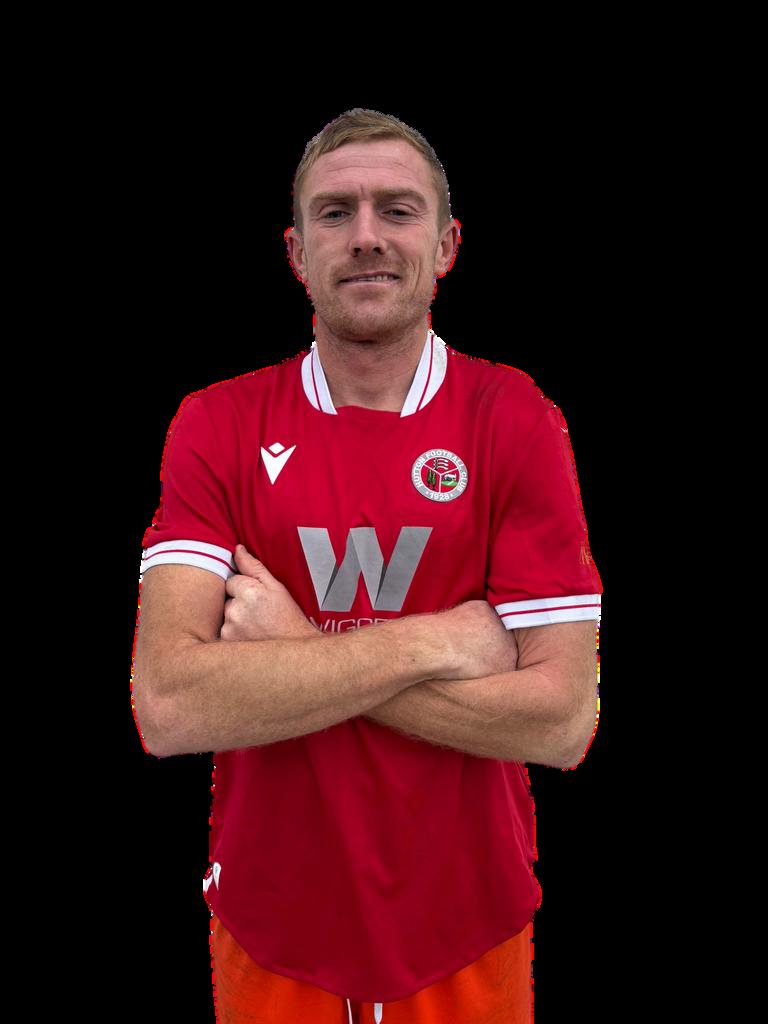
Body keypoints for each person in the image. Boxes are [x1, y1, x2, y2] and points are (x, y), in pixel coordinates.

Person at [133, 107, 602, 1023]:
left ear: (447, 243)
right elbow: (169, 705)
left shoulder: (515, 418)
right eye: (334, 212)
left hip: (467, 918)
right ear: (297, 252)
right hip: (273, 916)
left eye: (397, 208)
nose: (366, 236)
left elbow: (560, 723)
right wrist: (439, 642)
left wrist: (295, 650)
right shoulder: (217, 422)